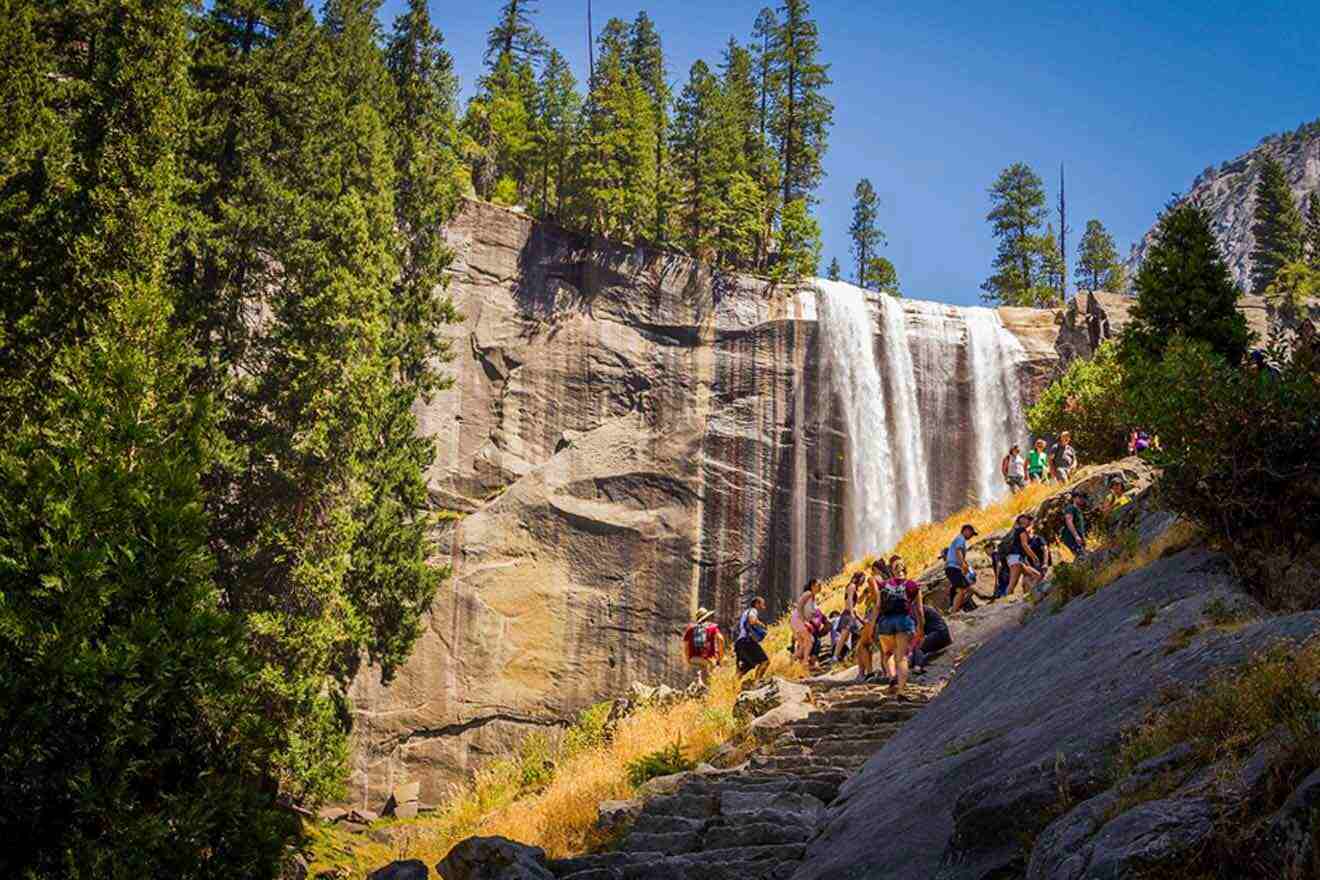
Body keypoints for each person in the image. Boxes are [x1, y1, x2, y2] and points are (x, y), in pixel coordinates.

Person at [873, 561, 921, 695]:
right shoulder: (912, 585)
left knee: (888, 653)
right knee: (902, 657)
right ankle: (901, 690)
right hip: (904, 621)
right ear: (905, 571)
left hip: (886, 622)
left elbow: (877, 607)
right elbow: (919, 609)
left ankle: (892, 677)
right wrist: (920, 627)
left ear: (892, 572)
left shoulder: (884, 585)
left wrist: (872, 625)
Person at [1001, 514, 1043, 596]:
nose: (1030, 521)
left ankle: (1032, 594)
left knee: (1036, 575)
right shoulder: (1021, 530)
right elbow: (1024, 545)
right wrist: (1034, 557)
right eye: (1028, 519)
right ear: (1023, 520)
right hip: (1015, 558)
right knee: (1013, 583)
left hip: (1015, 558)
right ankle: (1004, 600)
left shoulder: (1016, 530)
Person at [682, 607, 724, 686]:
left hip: (694, 658)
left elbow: (686, 645)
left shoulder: (691, 628)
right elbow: (721, 639)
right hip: (708, 659)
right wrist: (720, 658)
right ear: (707, 617)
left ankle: (699, 686)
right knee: (710, 680)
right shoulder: (712, 627)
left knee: (701, 672)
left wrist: (688, 659)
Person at [733, 597, 770, 683]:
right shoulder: (753, 610)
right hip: (747, 641)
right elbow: (752, 620)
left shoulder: (745, 612)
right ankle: (757, 683)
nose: (763, 607)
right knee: (765, 661)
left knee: (748, 665)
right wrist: (761, 624)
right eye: (762, 604)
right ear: (757, 604)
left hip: (740, 642)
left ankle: (733, 684)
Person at [833, 571, 867, 664]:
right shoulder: (851, 586)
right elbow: (850, 600)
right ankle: (835, 657)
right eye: (862, 579)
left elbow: (858, 602)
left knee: (851, 635)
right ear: (858, 578)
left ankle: (850, 655)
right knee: (844, 636)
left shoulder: (854, 587)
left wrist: (864, 594)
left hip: (850, 614)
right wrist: (852, 613)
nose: (862, 582)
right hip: (848, 614)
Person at [945, 523, 979, 614]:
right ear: (966, 530)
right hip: (954, 568)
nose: (971, 536)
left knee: (964, 588)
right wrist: (963, 565)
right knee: (962, 590)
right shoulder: (960, 538)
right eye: (971, 533)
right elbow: (958, 551)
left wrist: (965, 566)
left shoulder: (959, 539)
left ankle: (955, 607)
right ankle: (954, 611)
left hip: (952, 568)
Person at [789, 580, 821, 670]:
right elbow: (799, 606)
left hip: (798, 620)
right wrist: (804, 622)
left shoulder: (813, 597)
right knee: (810, 641)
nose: (820, 587)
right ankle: (804, 664)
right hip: (798, 620)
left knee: (803, 645)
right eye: (818, 585)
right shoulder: (808, 593)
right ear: (812, 585)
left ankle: (791, 663)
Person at [910, 604, 950, 674]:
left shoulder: (915, 610)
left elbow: (918, 632)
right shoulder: (915, 609)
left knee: (918, 647)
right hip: (941, 635)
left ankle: (918, 667)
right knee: (914, 654)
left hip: (939, 634)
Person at [1061, 490, 1089, 559]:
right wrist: (1076, 536)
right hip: (1071, 537)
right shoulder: (1070, 508)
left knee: (1084, 555)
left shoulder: (1078, 510)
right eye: (1080, 497)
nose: (1082, 499)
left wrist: (1082, 537)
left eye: (1083, 497)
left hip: (1077, 537)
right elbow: (1069, 521)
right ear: (1074, 498)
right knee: (1081, 557)